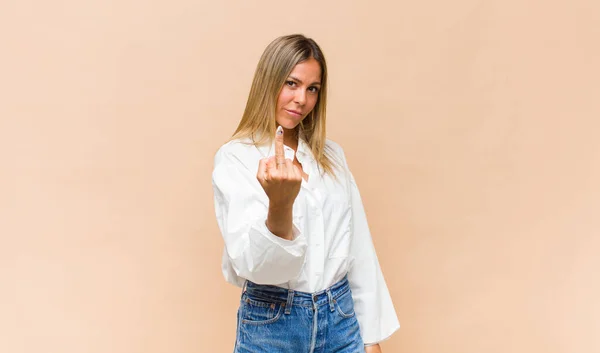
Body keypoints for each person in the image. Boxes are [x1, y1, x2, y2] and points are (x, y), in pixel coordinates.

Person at [212, 34, 400, 353]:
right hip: (272, 325)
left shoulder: (331, 156)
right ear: (268, 82)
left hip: (340, 319)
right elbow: (254, 268)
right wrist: (280, 207)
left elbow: (357, 246)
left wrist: (371, 336)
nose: (302, 99)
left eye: (312, 88)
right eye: (291, 83)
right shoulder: (236, 159)